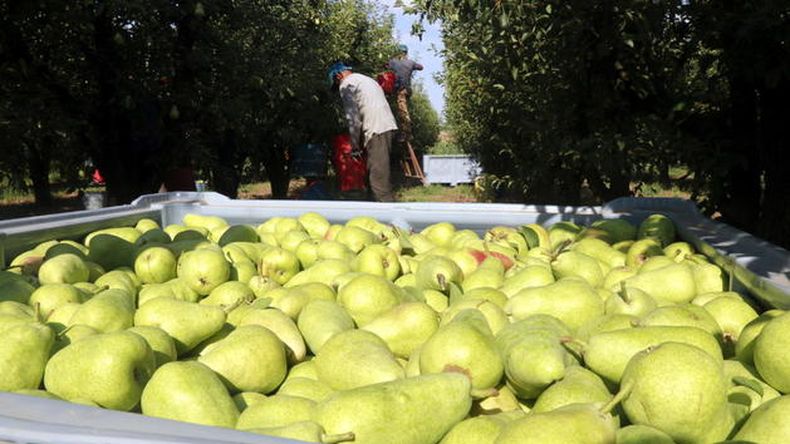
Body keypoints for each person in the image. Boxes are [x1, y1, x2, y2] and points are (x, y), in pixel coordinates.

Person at [328, 62, 399, 202]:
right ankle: (373, 215)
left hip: (376, 129)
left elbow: (353, 119)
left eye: (336, 83)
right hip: (385, 126)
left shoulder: (346, 84)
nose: (338, 87)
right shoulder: (366, 79)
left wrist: (354, 145)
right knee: (374, 174)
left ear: (338, 76)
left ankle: (392, 220)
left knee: (378, 181)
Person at [385, 44, 424, 143]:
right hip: (407, 90)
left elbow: (385, 65)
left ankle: (406, 134)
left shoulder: (393, 62)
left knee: (402, 111)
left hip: (400, 90)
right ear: (406, 53)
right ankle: (402, 131)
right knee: (402, 109)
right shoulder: (410, 62)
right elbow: (421, 67)